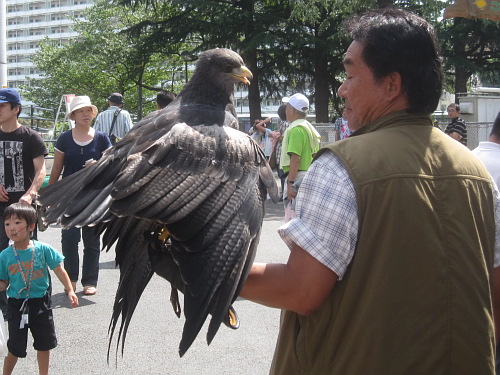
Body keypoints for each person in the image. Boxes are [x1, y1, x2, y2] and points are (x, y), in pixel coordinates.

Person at [240, 8, 500, 374]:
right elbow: (494, 297)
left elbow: (300, 290)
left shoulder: (340, 166)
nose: (341, 89)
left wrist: (212, 270)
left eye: (349, 75)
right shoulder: (476, 173)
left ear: (391, 85)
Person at [0, 203, 78, 375]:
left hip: (41, 304)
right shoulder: (5, 255)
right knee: (14, 346)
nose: (11, 228)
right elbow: (3, 283)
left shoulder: (42, 249)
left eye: (17, 223)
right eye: (7, 224)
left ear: (31, 226)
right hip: (16, 305)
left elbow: (58, 268)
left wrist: (70, 290)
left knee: (44, 344)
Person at [48, 96, 111, 296]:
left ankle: (90, 281)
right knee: (69, 238)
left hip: (93, 196)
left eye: (88, 111)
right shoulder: (64, 138)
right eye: (81, 111)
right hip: (69, 196)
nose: (86, 114)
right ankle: (71, 279)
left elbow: (112, 165)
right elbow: (57, 168)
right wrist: (50, 197)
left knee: (92, 240)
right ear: (73, 115)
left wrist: (98, 164)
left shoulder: (102, 138)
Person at [0, 88, 48, 317]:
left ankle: (36, 300)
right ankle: (5, 305)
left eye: (2, 106)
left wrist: (30, 194)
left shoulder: (30, 137)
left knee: (30, 255)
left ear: (16, 109)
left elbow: (41, 170)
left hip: (23, 207)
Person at [280, 93, 320, 220]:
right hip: (308, 176)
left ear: (291, 110)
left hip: (297, 178)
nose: (285, 111)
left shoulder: (296, 129)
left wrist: (291, 183)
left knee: (293, 220)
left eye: (287, 108)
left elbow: (295, 159)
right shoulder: (308, 127)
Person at [274, 104, 290, 201]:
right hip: (284, 153)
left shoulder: (285, 124)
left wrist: (275, 136)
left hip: (281, 153)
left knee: (282, 175)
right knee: (283, 175)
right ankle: (284, 193)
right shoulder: (289, 123)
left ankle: (284, 194)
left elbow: (283, 138)